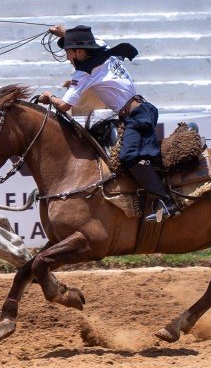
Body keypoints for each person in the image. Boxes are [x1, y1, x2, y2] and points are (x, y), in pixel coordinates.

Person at [39, 24, 179, 222]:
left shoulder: (84, 74)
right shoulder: (102, 49)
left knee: (128, 156)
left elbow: (63, 106)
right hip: (140, 110)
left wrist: (49, 97)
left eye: (69, 53)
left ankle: (167, 202)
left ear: (80, 52)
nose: (68, 58)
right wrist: (64, 34)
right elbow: (89, 41)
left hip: (136, 115)